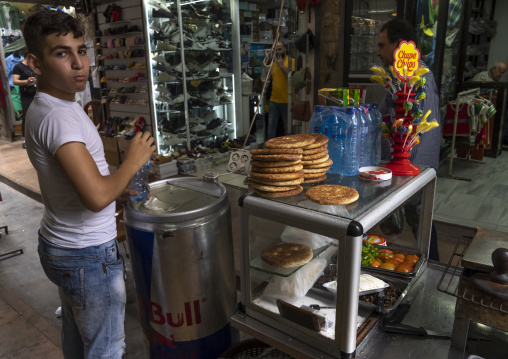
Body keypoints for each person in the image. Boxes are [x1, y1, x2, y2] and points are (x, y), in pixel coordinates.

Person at [23, 11, 155, 359]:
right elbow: (96, 196)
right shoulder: (59, 116)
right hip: (86, 255)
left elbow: (85, 184)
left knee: (79, 340)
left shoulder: (52, 105)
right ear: (35, 63)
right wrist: (132, 162)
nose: (80, 64)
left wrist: (119, 186)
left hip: (61, 244)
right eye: (62, 53)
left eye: (81, 50)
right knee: (105, 349)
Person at [376, 18, 440, 261]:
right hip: (413, 169)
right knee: (419, 223)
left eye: (382, 45)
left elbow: (408, 128)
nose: (378, 51)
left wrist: (402, 176)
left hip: (412, 168)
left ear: (399, 44)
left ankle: (429, 272)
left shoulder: (412, 76)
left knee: (418, 223)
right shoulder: (403, 76)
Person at [266, 41, 294, 140]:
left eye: (279, 49)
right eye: (275, 50)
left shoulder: (291, 61)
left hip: (287, 101)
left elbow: (291, 78)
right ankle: (269, 149)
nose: (277, 52)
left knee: (288, 128)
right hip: (274, 100)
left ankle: (288, 149)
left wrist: (282, 66)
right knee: (271, 126)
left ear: (285, 49)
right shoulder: (273, 64)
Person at [12, 52, 37, 149]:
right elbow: (15, 81)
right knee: (27, 116)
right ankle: (26, 139)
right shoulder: (18, 67)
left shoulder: (34, 66)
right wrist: (27, 81)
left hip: (37, 93)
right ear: (29, 57)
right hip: (27, 95)